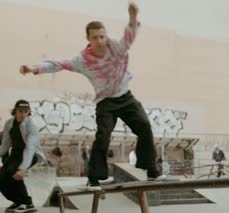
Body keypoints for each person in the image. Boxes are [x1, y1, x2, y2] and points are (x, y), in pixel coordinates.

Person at [19, 2, 162, 191]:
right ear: (89, 39)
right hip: (105, 103)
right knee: (103, 137)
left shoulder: (117, 48)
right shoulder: (82, 61)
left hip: (126, 97)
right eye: (95, 38)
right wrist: (35, 68)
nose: (100, 41)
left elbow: (130, 36)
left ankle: (151, 169)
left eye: (102, 36)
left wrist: (133, 18)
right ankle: (94, 178)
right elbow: (59, 64)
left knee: (144, 126)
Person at [0, 100, 46, 213]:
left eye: (26, 112)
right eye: (20, 111)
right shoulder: (9, 124)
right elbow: (5, 145)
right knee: (1, 176)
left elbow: (29, 148)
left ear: (28, 112)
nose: (22, 114)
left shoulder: (31, 126)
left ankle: (27, 202)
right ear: (15, 111)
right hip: (16, 154)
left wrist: (22, 169)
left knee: (13, 171)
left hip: (31, 155)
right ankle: (18, 201)